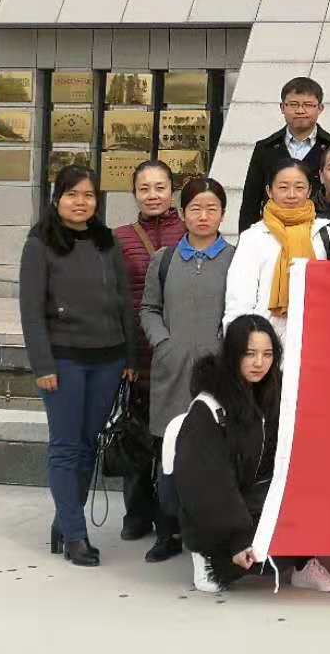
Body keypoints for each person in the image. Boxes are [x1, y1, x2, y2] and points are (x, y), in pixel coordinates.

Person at [173, 315, 330, 594]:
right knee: (247, 557)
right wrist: (237, 539)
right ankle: (207, 556)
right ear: (233, 354)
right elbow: (208, 484)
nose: (259, 363)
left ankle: (303, 564)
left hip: (254, 495)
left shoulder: (274, 393)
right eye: (249, 353)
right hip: (214, 507)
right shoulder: (208, 408)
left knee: (317, 488)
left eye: (267, 354)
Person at [18, 165, 137, 568]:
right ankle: (75, 535)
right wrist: (42, 365)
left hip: (109, 359)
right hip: (64, 360)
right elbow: (31, 312)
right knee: (66, 446)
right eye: (72, 195)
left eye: (88, 195)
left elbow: (124, 301)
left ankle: (64, 521)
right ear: (57, 199)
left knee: (88, 445)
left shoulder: (107, 241)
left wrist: (131, 357)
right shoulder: (40, 243)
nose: (81, 202)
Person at [139, 176, 234, 564]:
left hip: (218, 375)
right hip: (173, 371)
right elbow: (149, 308)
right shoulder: (164, 260)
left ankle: (208, 532)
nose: (203, 216)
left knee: (213, 455)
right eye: (196, 208)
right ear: (183, 213)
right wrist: (163, 342)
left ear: (223, 214)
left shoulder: (236, 260)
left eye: (212, 208)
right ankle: (167, 531)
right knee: (168, 454)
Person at [112, 159, 185, 548]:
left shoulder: (189, 233)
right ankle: (136, 512)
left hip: (177, 354)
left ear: (172, 191)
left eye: (160, 187)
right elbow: (115, 300)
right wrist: (125, 357)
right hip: (138, 353)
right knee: (137, 436)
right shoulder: (120, 238)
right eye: (145, 188)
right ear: (134, 194)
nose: (153, 195)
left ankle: (170, 518)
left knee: (171, 442)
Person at [224, 159, 330, 340]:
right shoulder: (253, 237)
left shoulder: (326, 233)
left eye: (299, 187)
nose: (291, 195)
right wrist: (242, 342)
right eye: (283, 187)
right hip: (265, 341)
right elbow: (239, 299)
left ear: (309, 191)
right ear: (269, 191)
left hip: (314, 338)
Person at [238, 76, 330, 232]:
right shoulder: (265, 148)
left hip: (320, 231)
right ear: (282, 107)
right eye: (293, 104)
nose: (300, 111)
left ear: (320, 108)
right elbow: (251, 202)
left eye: (308, 105)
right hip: (273, 232)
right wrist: (246, 238)